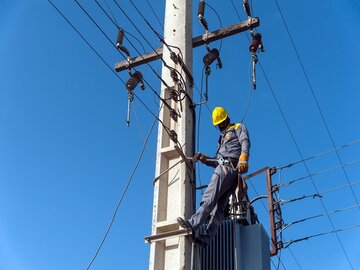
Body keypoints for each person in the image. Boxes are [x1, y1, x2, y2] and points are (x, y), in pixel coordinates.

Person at [177, 106, 251, 247]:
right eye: (219, 124)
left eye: (222, 123)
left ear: (227, 118)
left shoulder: (238, 127)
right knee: (218, 208)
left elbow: (245, 142)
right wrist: (205, 159)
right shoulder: (221, 139)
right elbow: (217, 160)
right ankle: (206, 239)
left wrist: (244, 158)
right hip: (226, 170)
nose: (221, 126)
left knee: (209, 197)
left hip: (228, 170)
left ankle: (192, 224)